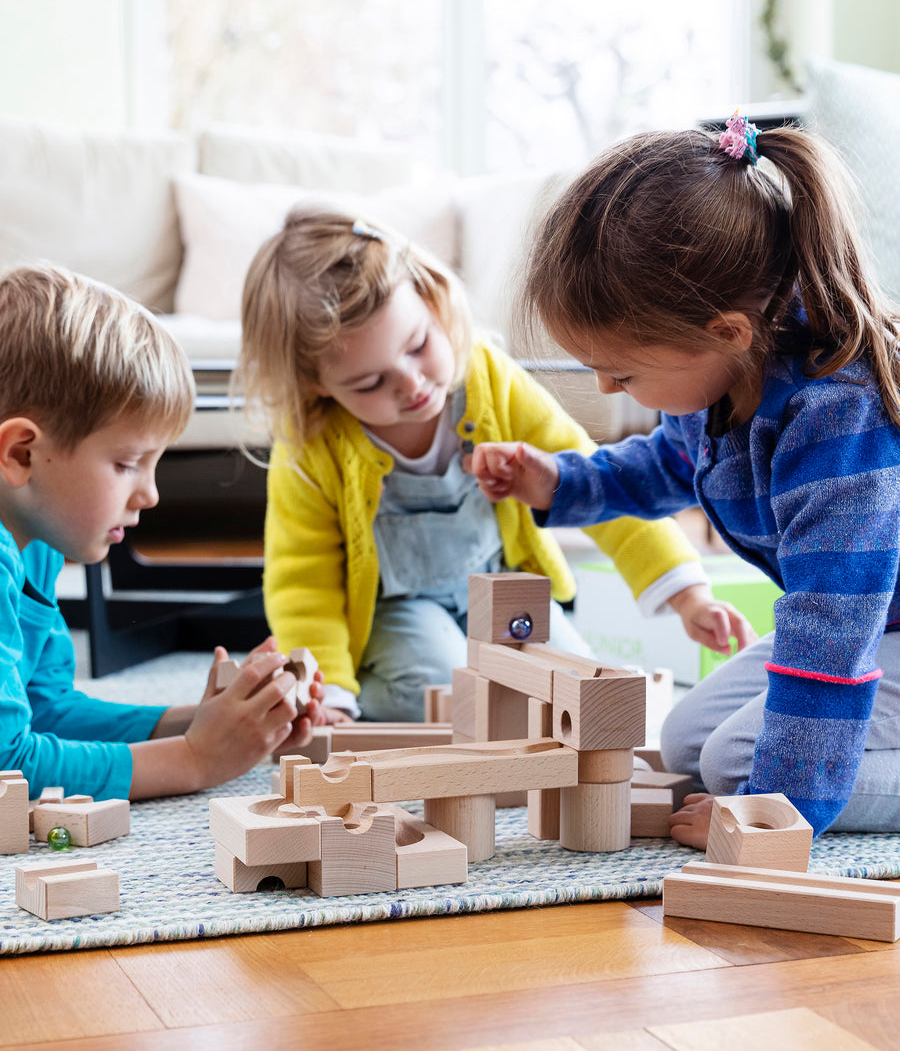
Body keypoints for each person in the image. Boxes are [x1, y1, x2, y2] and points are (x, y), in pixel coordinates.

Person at [468, 114, 900, 847]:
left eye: (624, 371)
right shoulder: (725, 378)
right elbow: (671, 468)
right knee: (687, 741)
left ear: (728, 331)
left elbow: (830, 635)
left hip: (863, 622)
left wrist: (771, 814)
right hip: (876, 623)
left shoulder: (839, 421)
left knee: (739, 766)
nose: (606, 388)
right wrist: (560, 485)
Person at [236, 207, 753, 724]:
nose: (413, 384)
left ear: (434, 302)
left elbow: (596, 482)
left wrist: (686, 593)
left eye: (419, 345)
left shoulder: (487, 378)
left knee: (576, 685)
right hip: (399, 612)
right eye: (370, 383)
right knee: (443, 690)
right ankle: (375, 685)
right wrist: (331, 693)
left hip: (504, 586)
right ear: (316, 384)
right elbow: (303, 580)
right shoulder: (311, 444)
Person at [0, 264, 320, 802]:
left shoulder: (36, 547)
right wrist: (194, 760)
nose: (149, 494)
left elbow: (47, 709)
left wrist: (212, 723)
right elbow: (8, 765)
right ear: (21, 454)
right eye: (128, 463)